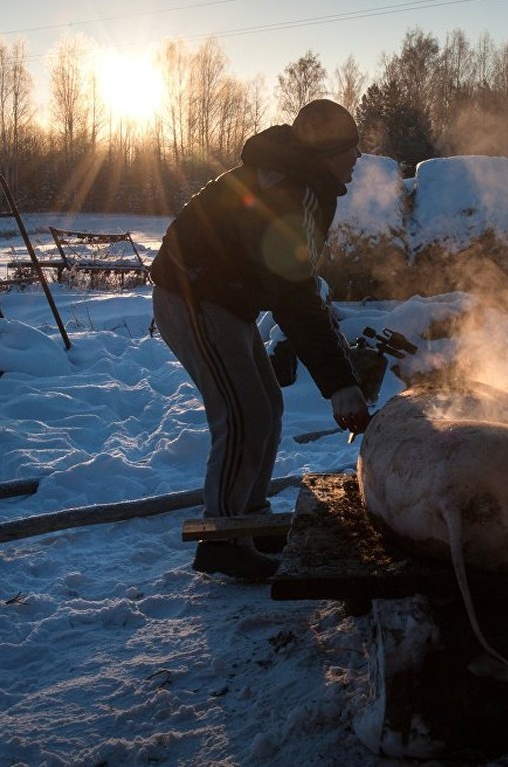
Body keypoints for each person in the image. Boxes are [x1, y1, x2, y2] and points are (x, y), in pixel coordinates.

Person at [151, 99, 371, 582]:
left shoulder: (307, 183)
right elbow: (294, 296)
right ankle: (224, 541)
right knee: (243, 412)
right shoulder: (288, 191)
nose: (358, 157)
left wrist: (341, 375)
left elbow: (299, 284)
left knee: (266, 405)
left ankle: (249, 516)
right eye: (351, 148)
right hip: (191, 295)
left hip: (223, 298)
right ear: (328, 151)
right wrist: (339, 383)